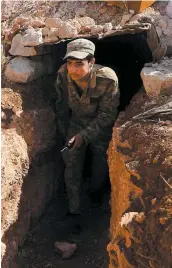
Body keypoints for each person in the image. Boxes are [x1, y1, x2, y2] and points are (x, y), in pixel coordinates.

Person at [55, 38, 119, 232]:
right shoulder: (62, 75)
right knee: (71, 162)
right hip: (76, 123)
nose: (73, 69)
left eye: (79, 64)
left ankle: (96, 196)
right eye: (70, 63)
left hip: (99, 127)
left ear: (91, 62)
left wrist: (84, 136)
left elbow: (108, 115)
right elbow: (61, 106)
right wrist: (64, 133)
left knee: (100, 163)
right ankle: (74, 212)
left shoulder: (107, 79)